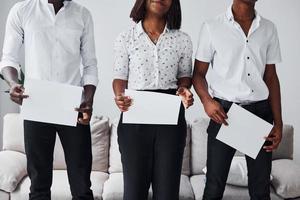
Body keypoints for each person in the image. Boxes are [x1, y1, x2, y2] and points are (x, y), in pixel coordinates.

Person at [0, 0, 98, 199]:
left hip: (74, 108)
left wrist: (88, 99)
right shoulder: (22, 10)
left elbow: (90, 65)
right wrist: (12, 84)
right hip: (36, 105)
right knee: (39, 186)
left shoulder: (83, 14)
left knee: (82, 187)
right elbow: (9, 58)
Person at [192, 0, 283, 199]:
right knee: (214, 187)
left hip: (260, 114)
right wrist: (207, 101)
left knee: (261, 189)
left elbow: (271, 77)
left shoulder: (269, 28)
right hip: (224, 115)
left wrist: (278, 123)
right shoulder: (212, 26)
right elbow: (198, 74)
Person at [112, 0, 194, 199]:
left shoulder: (182, 39)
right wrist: (119, 96)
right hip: (135, 118)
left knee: (167, 193)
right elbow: (119, 77)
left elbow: (185, 76)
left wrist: (184, 89)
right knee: (134, 193)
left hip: (171, 119)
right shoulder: (126, 37)